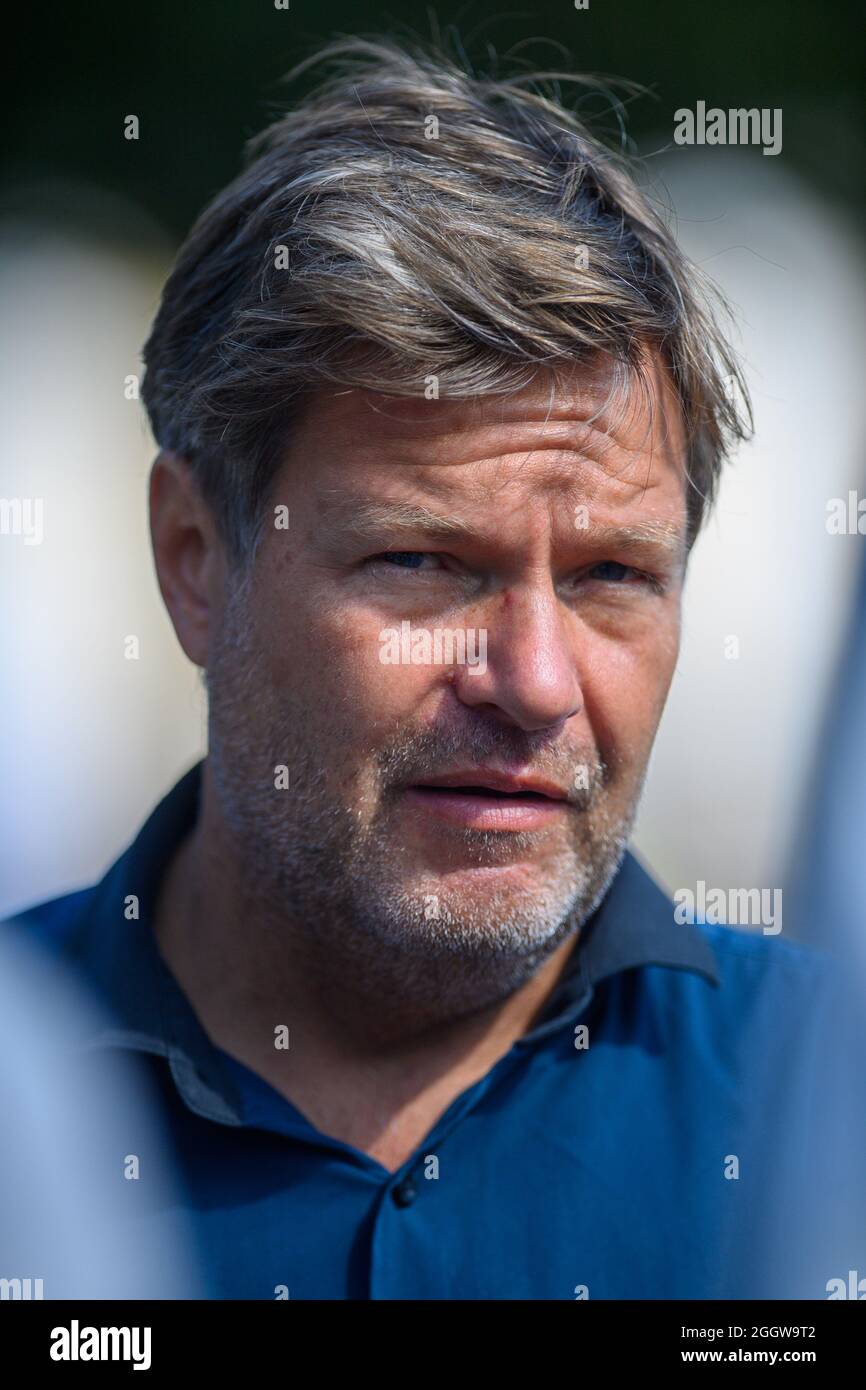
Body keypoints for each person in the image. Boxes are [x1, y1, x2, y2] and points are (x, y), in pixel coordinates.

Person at [6, 35, 864, 1299]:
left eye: (609, 578)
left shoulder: (822, 1108)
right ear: (194, 559)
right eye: (421, 562)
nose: (531, 679)